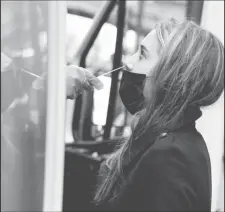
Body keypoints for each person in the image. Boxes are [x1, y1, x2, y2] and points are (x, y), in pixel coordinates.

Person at [92, 19, 224, 211]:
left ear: (173, 76)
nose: (127, 62)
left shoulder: (169, 158)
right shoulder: (176, 142)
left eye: (143, 55)